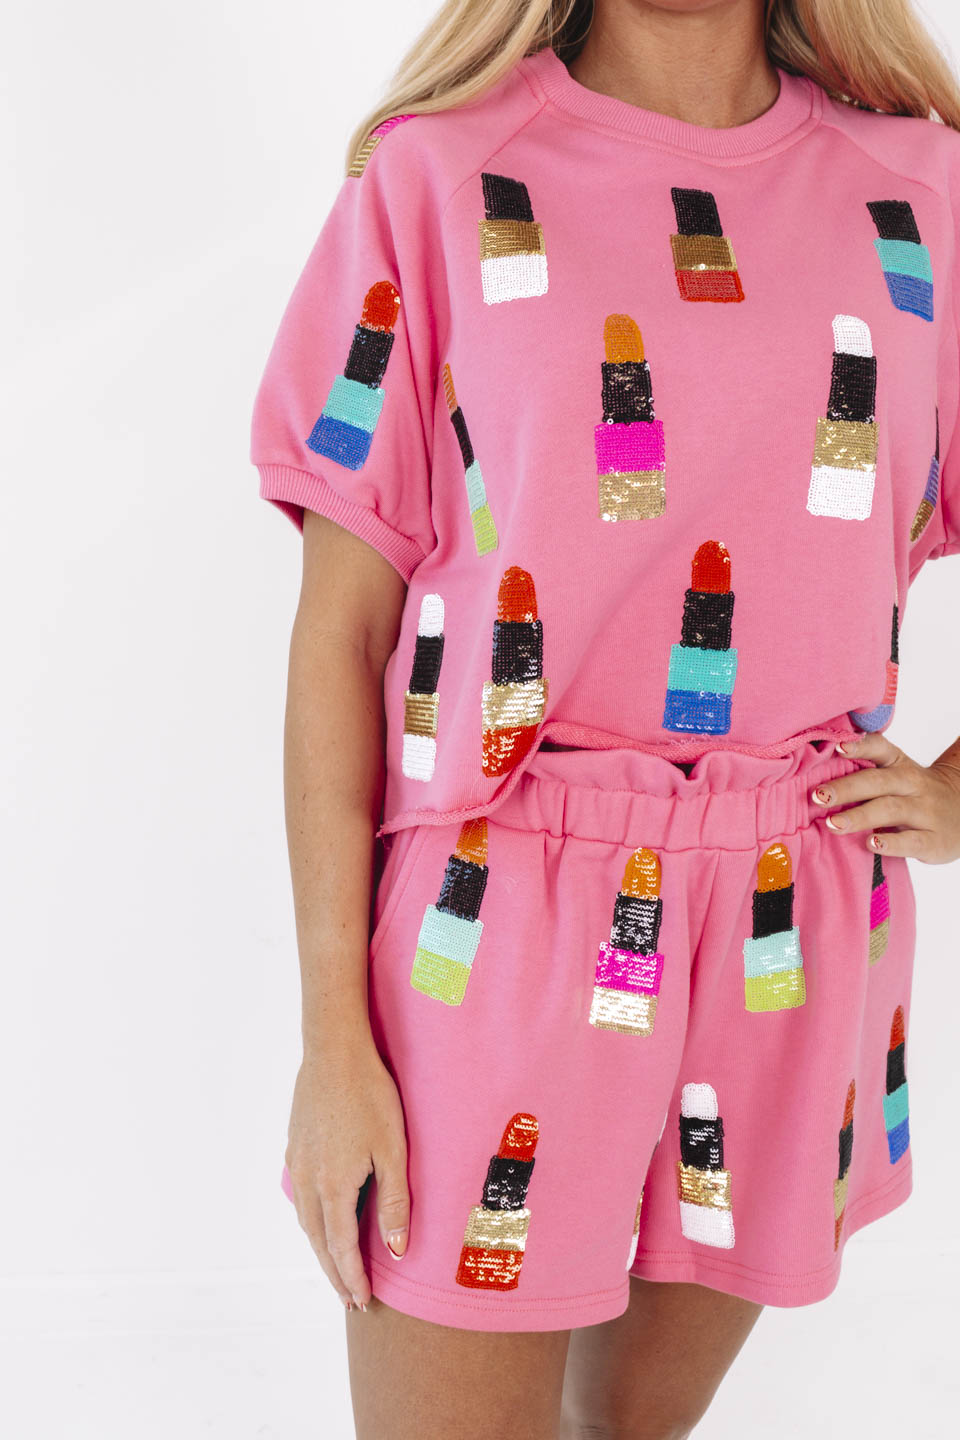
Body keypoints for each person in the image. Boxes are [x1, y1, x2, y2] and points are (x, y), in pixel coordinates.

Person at [250, 1, 960, 1434]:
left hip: (789, 902)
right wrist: (334, 1037)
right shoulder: (443, 175)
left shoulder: (924, 194)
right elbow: (342, 634)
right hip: (499, 910)